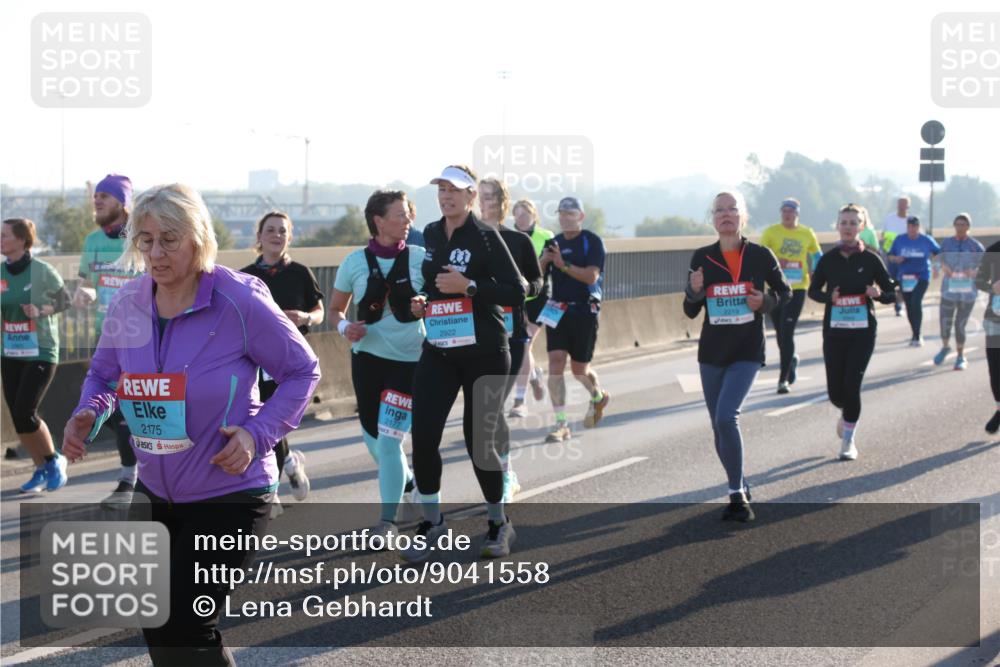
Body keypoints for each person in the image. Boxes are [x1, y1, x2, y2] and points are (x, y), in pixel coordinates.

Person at [62, 183, 320, 666]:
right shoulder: (129, 304)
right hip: (158, 488)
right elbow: (103, 373)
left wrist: (255, 433)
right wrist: (89, 412)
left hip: (230, 490)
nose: (155, 254)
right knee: (158, 623)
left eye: (169, 240)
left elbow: (302, 370)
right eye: (145, 240)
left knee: (185, 621)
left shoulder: (238, 300)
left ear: (198, 238)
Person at [401, 165, 525, 562]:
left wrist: (470, 287)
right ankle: (433, 522)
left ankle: (498, 522)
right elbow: (431, 284)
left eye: (454, 189)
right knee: (423, 437)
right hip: (439, 349)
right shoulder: (433, 234)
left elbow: (517, 291)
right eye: (441, 188)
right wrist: (422, 303)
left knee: (479, 443)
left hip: (486, 353)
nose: (445, 195)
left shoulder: (487, 238)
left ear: (471, 196)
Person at [683, 192, 791, 522]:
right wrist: (695, 290)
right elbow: (689, 310)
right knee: (718, 426)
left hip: (746, 350)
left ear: (743, 217)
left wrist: (766, 302)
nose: (726, 215)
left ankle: (736, 495)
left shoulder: (760, 255)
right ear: (713, 219)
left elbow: (784, 292)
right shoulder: (702, 257)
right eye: (720, 210)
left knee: (727, 417)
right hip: (712, 352)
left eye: (732, 210)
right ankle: (740, 482)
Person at [329, 190, 425, 539]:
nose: (407, 221)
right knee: (374, 441)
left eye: (409, 215)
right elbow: (335, 309)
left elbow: (441, 297)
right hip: (367, 361)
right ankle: (410, 481)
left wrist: (424, 303)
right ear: (379, 221)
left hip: (409, 363)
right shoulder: (354, 262)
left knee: (388, 443)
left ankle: (387, 522)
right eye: (400, 215)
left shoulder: (420, 257)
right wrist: (344, 327)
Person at [241, 210, 322, 516]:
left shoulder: (300, 272)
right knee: (265, 414)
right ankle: (278, 478)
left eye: (282, 231)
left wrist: (306, 318)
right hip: (256, 358)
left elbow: (319, 311)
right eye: (270, 230)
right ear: (259, 237)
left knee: (272, 417)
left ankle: (280, 470)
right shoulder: (246, 276)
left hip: (291, 360)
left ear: (289, 237)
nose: (276, 235)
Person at [73, 174, 142, 508]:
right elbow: (87, 281)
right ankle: (133, 478)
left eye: (105, 196)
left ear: (123, 202)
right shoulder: (91, 241)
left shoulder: (141, 239)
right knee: (114, 412)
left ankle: (133, 481)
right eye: (95, 195)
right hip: (106, 339)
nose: (97, 200)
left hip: (142, 339)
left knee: (133, 409)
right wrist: (83, 293)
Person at [808, 204, 896, 461]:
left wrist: (879, 295)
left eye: (853, 222)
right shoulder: (828, 259)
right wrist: (828, 297)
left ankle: (848, 440)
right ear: (837, 225)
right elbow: (814, 291)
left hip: (863, 332)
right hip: (834, 331)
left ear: (862, 227)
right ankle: (846, 414)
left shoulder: (870, 258)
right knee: (836, 392)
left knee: (852, 384)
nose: (848, 227)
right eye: (844, 222)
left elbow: (891, 291)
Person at [478, 179, 543, 502]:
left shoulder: (517, 241)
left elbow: (537, 282)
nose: (483, 202)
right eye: (480, 197)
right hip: (472, 335)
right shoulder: (465, 238)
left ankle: (505, 474)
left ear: (503, 202)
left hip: (511, 335)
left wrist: (522, 290)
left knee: (492, 409)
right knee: (483, 411)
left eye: (490, 197)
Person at [1, 218, 71, 493]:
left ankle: (54, 461)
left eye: (4, 235)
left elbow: (65, 300)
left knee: (25, 411)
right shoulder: (1, 273)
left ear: (21, 240)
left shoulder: (42, 271)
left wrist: (41, 310)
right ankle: (40, 469)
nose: (0, 240)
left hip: (40, 351)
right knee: (18, 417)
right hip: (10, 351)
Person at [538, 196, 609, 443]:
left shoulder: (592, 241)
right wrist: (545, 260)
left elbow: (591, 277)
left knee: (579, 370)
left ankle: (598, 396)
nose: (565, 218)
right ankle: (561, 424)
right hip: (557, 310)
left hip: (584, 311)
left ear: (580, 216)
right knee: (555, 362)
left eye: (570, 213)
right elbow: (536, 278)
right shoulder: (553, 243)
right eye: (561, 213)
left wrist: (562, 264)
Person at [759, 198, 821, 393]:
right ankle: (791, 358)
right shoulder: (771, 232)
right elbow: (761, 256)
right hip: (776, 289)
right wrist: (779, 261)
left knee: (787, 331)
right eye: (784, 210)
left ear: (797, 213)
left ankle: (782, 380)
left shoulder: (806, 233)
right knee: (780, 332)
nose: (787, 214)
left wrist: (816, 272)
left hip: (798, 288)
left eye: (791, 211)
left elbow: (817, 255)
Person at [510, 199, 554, 416]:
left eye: (525, 215)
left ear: (534, 216)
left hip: (538, 299)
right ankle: (535, 375)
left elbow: (552, 269)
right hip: (516, 299)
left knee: (524, 346)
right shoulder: (508, 237)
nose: (522, 219)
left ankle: (519, 401)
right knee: (520, 347)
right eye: (517, 216)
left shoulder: (546, 236)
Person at [934, 213, 984, 370]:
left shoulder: (976, 246)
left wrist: (975, 271)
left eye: (963, 224)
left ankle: (961, 356)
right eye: (957, 224)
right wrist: (942, 267)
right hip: (949, 290)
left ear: (968, 226)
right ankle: (945, 346)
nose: (960, 227)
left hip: (968, 292)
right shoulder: (947, 243)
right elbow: (938, 259)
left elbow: (985, 266)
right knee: (944, 323)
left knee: (959, 325)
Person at [888, 216, 941, 346]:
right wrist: (896, 259)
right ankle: (915, 333)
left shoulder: (926, 240)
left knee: (916, 302)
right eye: (910, 226)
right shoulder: (900, 239)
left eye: (914, 226)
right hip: (905, 277)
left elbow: (938, 253)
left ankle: (917, 335)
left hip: (921, 276)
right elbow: (890, 255)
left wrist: (936, 268)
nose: (912, 229)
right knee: (909, 306)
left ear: (918, 227)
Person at [975, 238, 1000, 434]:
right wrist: (992, 287)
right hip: (995, 318)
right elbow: (979, 280)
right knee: (995, 369)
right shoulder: (993, 250)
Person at [882, 196, 910, 316]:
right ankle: (896, 304)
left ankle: (900, 304)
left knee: (904, 282)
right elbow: (884, 235)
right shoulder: (890, 218)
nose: (901, 207)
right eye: (900, 204)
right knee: (893, 282)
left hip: (906, 257)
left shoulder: (911, 220)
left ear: (908, 206)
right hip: (892, 256)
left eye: (904, 205)